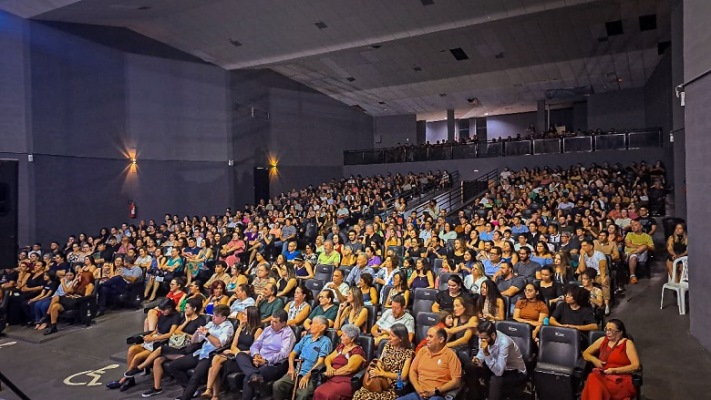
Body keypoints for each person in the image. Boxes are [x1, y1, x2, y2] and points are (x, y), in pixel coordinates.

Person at [106, 299, 180, 392]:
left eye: (163, 310)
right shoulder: (163, 315)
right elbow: (157, 329)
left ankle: (123, 380)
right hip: (154, 339)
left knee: (137, 357)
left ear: (170, 308)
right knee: (132, 349)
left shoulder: (176, 317)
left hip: (161, 343)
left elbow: (170, 334)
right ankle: (130, 379)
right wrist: (150, 335)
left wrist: (153, 338)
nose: (162, 312)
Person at [140, 298, 207, 398]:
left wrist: (184, 334)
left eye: (187, 308)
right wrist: (186, 322)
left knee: (161, 349)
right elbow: (176, 332)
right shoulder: (186, 318)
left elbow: (197, 338)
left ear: (194, 309)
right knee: (157, 360)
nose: (185, 309)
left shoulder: (201, 321)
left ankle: (139, 367)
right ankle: (157, 388)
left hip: (190, 348)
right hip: (179, 346)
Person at [166, 304, 234, 400]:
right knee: (173, 365)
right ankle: (189, 390)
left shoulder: (227, 327)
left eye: (216, 316)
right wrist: (197, 333)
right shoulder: (211, 324)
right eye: (213, 315)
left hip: (212, 354)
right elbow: (195, 341)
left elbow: (219, 345)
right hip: (201, 352)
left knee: (196, 376)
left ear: (223, 318)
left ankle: (186, 397)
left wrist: (207, 333)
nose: (213, 318)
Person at [201, 306, 263, 399]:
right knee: (216, 359)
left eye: (245, 314)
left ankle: (213, 393)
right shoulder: (241, 327)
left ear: (251, 316)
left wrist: (237, 353)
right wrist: (235, 353)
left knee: (216, 361)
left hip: (246, 359)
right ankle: (211, 392)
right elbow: (233, 345)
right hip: (234, 355)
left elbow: (254, 350)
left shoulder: (258, 330)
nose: (242, 316)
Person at [272, 315, 333, 400]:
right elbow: (292, 354)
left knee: (303, 395)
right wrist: (291, 368)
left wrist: (307, 376)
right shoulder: (306, 338)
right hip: (296, 371)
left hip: (310, 375)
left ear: (322, 327)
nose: (310, 326)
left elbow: (321, 362)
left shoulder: (326, 341)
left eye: (313, 324)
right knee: (278, 385)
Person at [466, 321, 527, 400]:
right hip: (494, 364)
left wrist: (486, 353)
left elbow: (499, 372)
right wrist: (478, 360)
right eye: (480, 338)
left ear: (493, 335)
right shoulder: (482, 337)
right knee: (470, 367)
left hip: (513, 371)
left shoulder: (505, 343)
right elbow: (481, 355)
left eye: (484, 338)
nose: (482, 341)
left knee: (495, 380)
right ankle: (477, 396)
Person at [397, 326, 462, 400]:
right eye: (427, 336)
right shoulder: (422, 351)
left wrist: (435, 391)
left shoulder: (450, 355)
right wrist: (418, 388)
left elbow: (456, 382)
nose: (427, 339)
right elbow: (412, 371)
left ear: (441, 340)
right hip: (419, 394)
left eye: (430, 336)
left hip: (437, 395)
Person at [582, 319, 640, 400]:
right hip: (604, 375)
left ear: (620, 332)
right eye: (606, 329)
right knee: (592, 377)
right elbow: (585, 353)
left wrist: (614, 371)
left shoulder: (627, 343)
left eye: (611, 330)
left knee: (594, 383)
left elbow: (636, 366)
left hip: (620, 379)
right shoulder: (602, 340)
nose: (607, 333)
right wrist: (595, 360)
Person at [353, 323, 414, 400]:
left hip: (392, 387)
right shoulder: (388, 346)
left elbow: (403, 376)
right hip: (379, 381)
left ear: (401, 338)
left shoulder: (408, 353)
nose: (389, 337)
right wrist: (376, 371)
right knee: (358, 395)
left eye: (392, 336)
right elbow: (380, 360)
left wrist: (382, 373)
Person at [313, 324, 366, 400]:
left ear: (352, 339)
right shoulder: (341, 347)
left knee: (328, 395)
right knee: (318, 391)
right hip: (333, 378)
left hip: (346, 381)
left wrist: (332, 373)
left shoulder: (357, 351)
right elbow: (328, 358)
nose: (341, 337)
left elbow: (349, 369)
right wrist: (329, 367)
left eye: (344, 336)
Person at [578, 239, 611, 315]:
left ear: (591, 246)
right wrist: (582, 256)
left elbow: (602, 267)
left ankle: (605, 304)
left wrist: (603, 278)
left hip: (598, 275)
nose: (582, 248)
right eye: (581, 246)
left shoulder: (599, 254)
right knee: (580, 278)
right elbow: (582, 270)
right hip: (588, 275)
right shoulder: (582, 256)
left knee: (605, 280)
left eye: (584, 246)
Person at [623, 220, 654, 284]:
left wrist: (644, 247)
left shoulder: (647, 236)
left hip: (642, 255)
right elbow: (628, 244)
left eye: (636, 225)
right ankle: (632, 276)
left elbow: (653, 248)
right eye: (632, 225)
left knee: (644, 246)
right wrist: (641, 247)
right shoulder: (629, 234)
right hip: (632, 255)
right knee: (634, 256)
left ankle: (630, 254)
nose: (633, 227)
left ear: (641, 227)